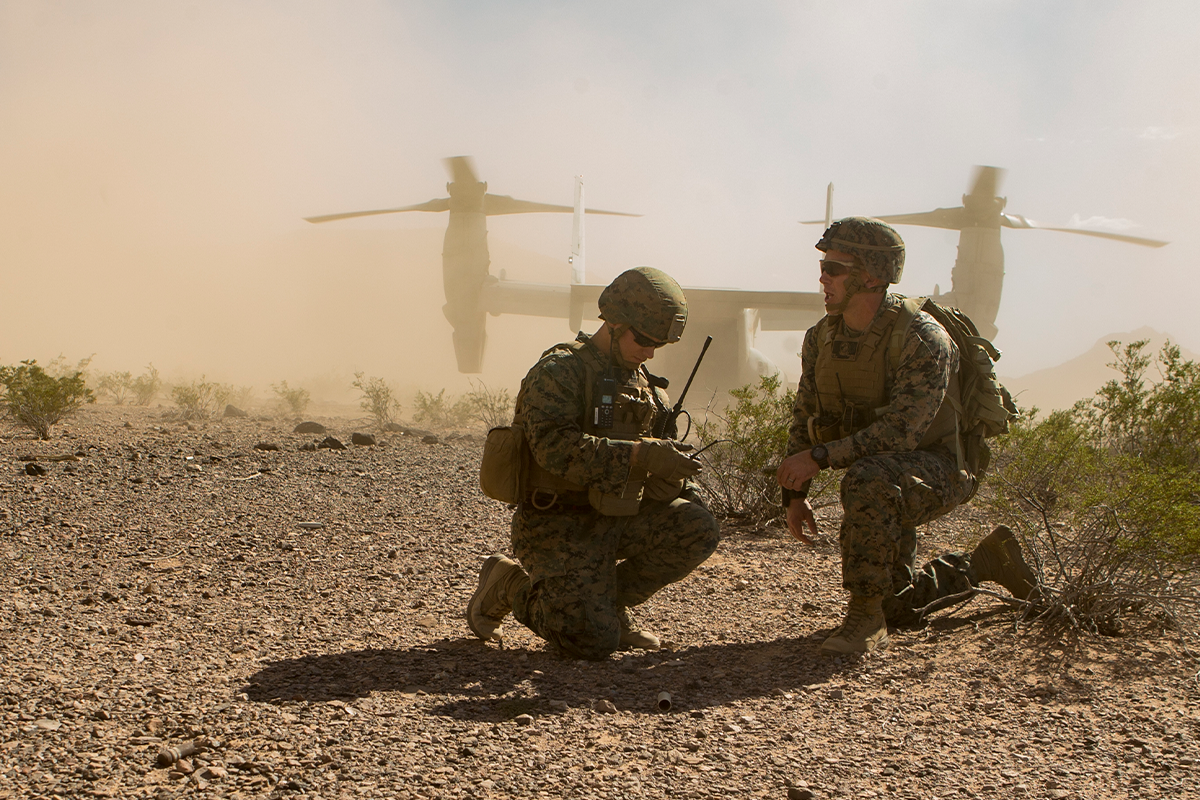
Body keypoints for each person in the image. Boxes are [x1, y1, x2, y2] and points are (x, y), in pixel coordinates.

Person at [775, 217, 1038, 654]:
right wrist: (793, 494)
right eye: (823, 266)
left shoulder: (921, 338)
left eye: (835, 268)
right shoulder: (821, 338)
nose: (823, 277)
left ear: (872, 276)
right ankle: (987, 562)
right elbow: (805, 414)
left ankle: (864, 619)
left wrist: (819, 459)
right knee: (900, 603)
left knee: (867, 479)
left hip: (940, 469)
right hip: (886, 470)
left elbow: (903, 430)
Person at [467, 267, 721, 660]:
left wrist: (682, 483)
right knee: (590, 642)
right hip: (556, 522)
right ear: (615, 322)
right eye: (644, 339)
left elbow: (662, 459)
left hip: (617, 516)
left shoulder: (648, 390)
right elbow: (553, 448)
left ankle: (605, 607)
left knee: (697, 527)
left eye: (659, 344)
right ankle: (508, 584)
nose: (650, 351)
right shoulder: (560, 372)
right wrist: (636, 455)